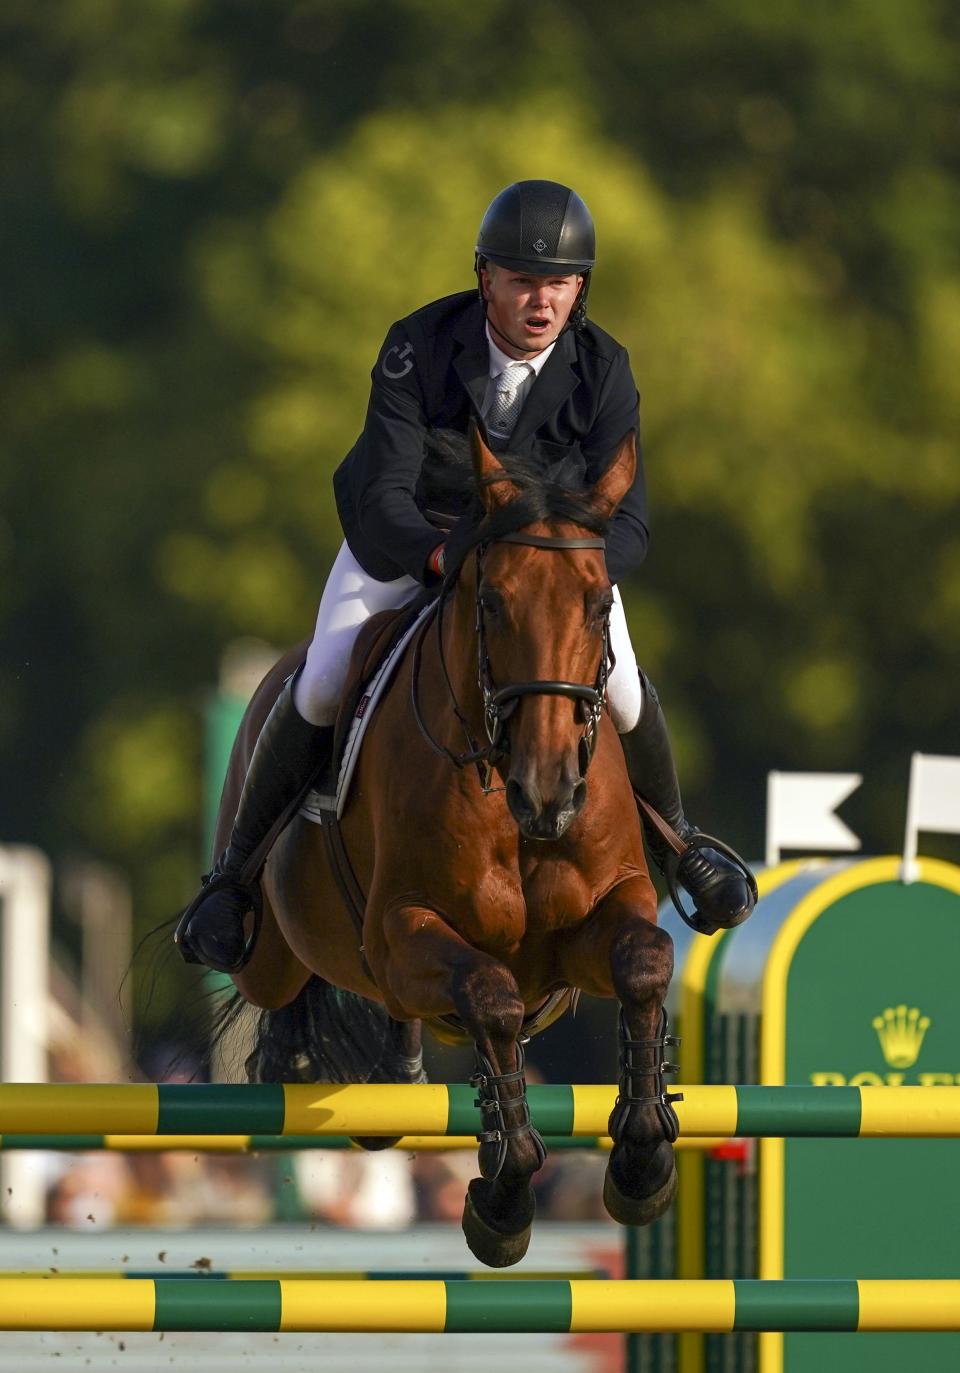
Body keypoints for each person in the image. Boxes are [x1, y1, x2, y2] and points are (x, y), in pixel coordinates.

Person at [178, 179, 755, 974]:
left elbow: (632, 523)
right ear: (485, 277)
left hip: (549, 577)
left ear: (579, 287)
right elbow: (382, 493)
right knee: (318, 682)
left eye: (558, 283)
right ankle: (233, 881)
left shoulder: (604, 369)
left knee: (621, 690)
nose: (541, 300)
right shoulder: (418, 345)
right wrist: (450, 558)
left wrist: (566, 578)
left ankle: (681, 843)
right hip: (415, 545)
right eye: (523, 280)